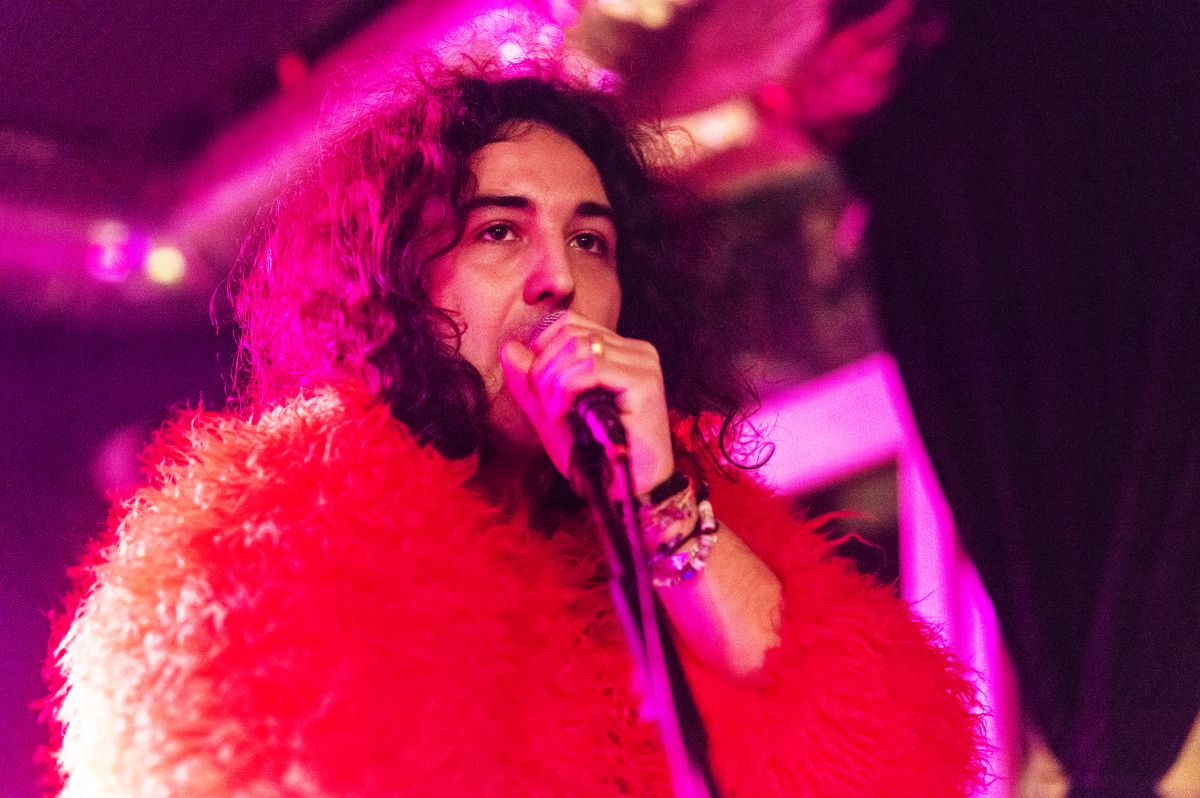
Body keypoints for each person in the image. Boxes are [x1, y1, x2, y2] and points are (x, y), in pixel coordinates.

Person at [46, 53, 984, 797]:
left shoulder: (677, 516)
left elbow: (881, 753)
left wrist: (659, 500)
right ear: (402, 280)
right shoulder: (260, 548)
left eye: (590, 241)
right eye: (500, 231)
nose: (560, 279)